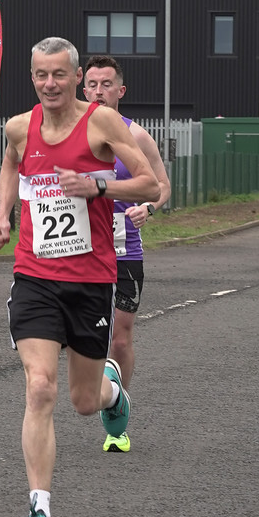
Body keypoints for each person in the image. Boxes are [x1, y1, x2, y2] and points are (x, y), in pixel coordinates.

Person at [0, 37, 159, 517]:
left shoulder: (102, 123)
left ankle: (113, 393)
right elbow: (12, 164)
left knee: (84, 401)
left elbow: (150, 185)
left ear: (75, 75)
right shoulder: (20, 126)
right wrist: (2, 215)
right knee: (40, 386)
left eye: (59, 74)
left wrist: (99, 187)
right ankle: (40, 514)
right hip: (35, 276)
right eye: (41, 75)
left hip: (91, 280)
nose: (49, 84)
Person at [82, 55, 171, 454]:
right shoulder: (70, 133)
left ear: (121, 91)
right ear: (82, 89)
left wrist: (148, 208)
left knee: (120, 340)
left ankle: (116, 418)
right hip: (79, 251)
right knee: (81, 338)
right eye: (92, 84)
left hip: (124, 251)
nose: (98, 91)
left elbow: (163, 186)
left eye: (106, 84)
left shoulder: (137, 137)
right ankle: (103, 392)